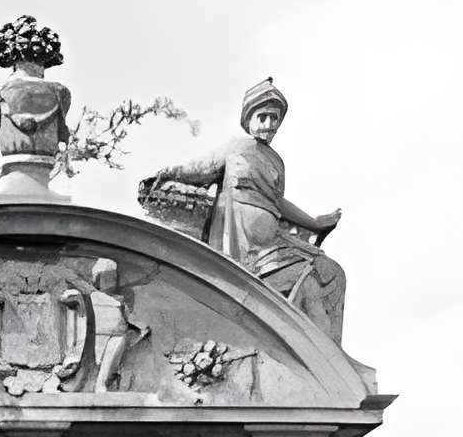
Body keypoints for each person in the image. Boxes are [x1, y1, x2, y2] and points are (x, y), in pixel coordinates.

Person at [141, 78, 346, 343]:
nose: (269, 124)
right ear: (249, 119)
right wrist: (168, 172)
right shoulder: (236, 148)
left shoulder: (276, 162)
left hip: (273, 245)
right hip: (243, 247)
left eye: (275, 118)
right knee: (313, 278)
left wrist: (315, 223)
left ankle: (326, 354)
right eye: (263, 117)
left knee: (327, 272)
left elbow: (277, 202)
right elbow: (200, 168)